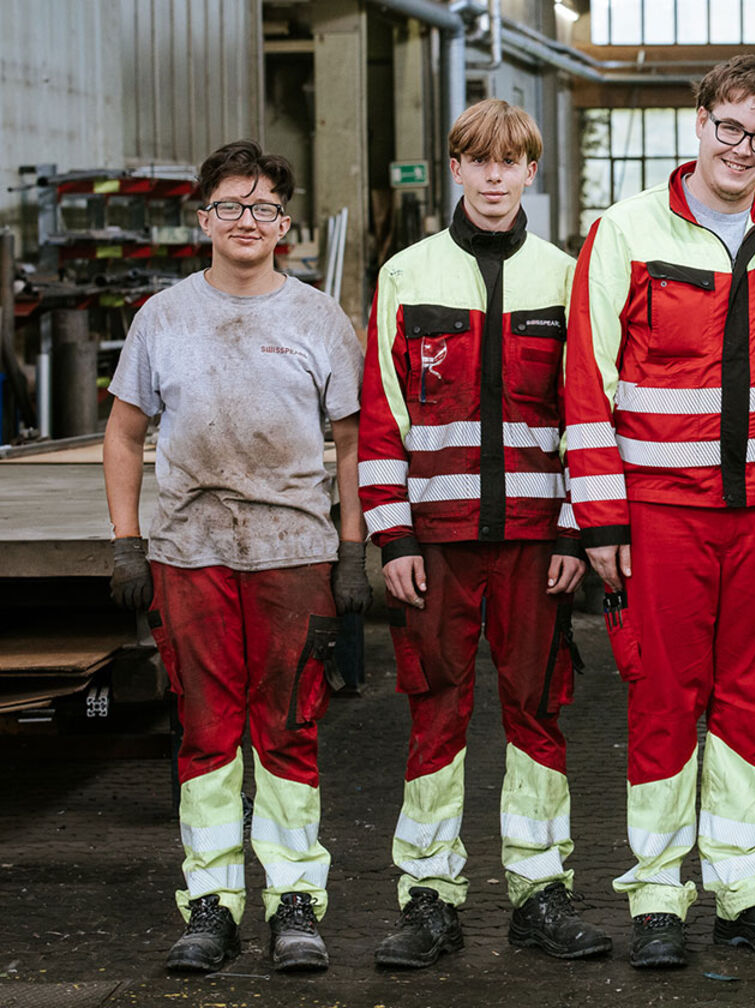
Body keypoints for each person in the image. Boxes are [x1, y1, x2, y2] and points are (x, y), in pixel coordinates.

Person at [563, 54, 755, 970]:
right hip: (659, 514)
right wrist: (602, 520)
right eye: (730, 126)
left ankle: (744, 883)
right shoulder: (628, 230)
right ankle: (656, 894)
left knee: (754, 697)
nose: (744, 148)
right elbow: (586, 382)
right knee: (664, 695)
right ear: (700, 123)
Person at [103, 140, 366, 973]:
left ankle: (295, 903)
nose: (245, 222)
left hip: (295, 552)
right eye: (228, 207)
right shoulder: (163, 317)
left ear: (283, 224)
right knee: (207, 732)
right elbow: (123, 432)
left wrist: (353, 551)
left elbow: (354, 446)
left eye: (261, 208)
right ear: (203, 221)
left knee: (288, 731)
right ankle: (210, 906)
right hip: (190, 554)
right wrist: (126, 541)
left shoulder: (319, 318)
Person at [358, 98, 608, 969]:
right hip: (435, 546)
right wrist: (390, 539)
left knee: (538, 714)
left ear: (531, 171)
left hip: (537, 545)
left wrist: (577, 533)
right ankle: (429, 898)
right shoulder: (405, 275)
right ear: (456, 170)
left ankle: (541, 895)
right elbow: (381, 420)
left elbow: (589, 418)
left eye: (512, 162)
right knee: (437, 715)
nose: (496, 176)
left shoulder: (567, 278)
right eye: (479, 161)